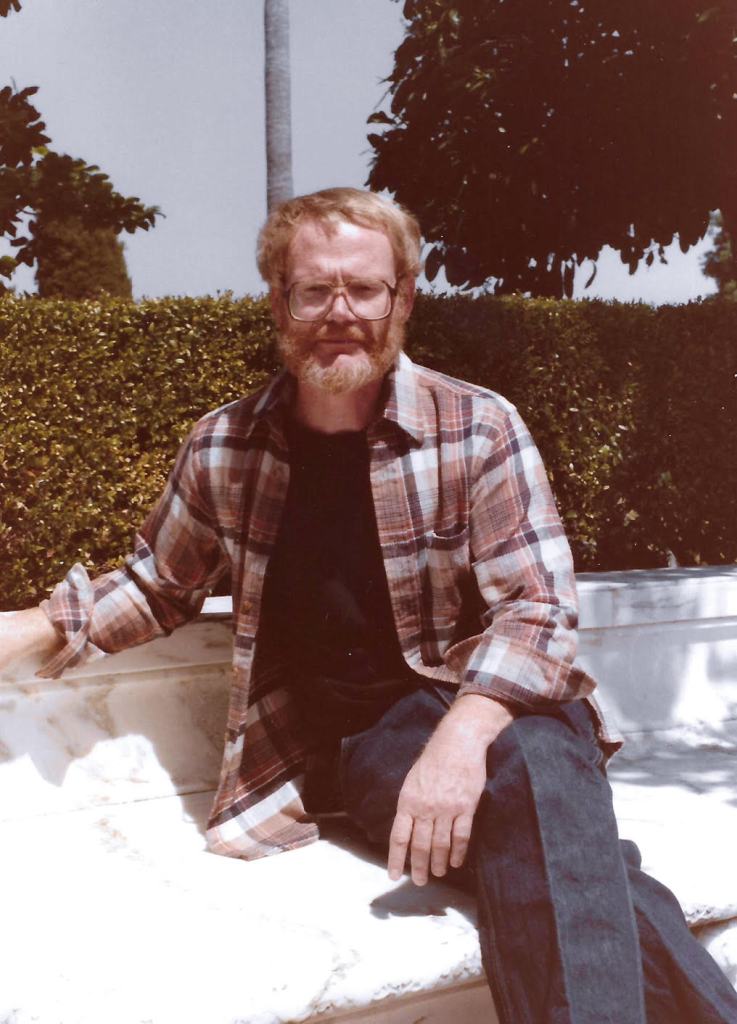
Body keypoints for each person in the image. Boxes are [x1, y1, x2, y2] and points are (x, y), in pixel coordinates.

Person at [2, 187, 736, 1023]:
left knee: (538, 779)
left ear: (404, 298)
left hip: (497, 713)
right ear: (279, 302)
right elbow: (156, 585)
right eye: (314, 289)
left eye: (364, 288)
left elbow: (537, 610)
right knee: (577, 851)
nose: (339, 311)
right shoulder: (223, 446)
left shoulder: (477, 425)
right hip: (368, 749)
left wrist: (460, 741)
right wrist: (36, 626)